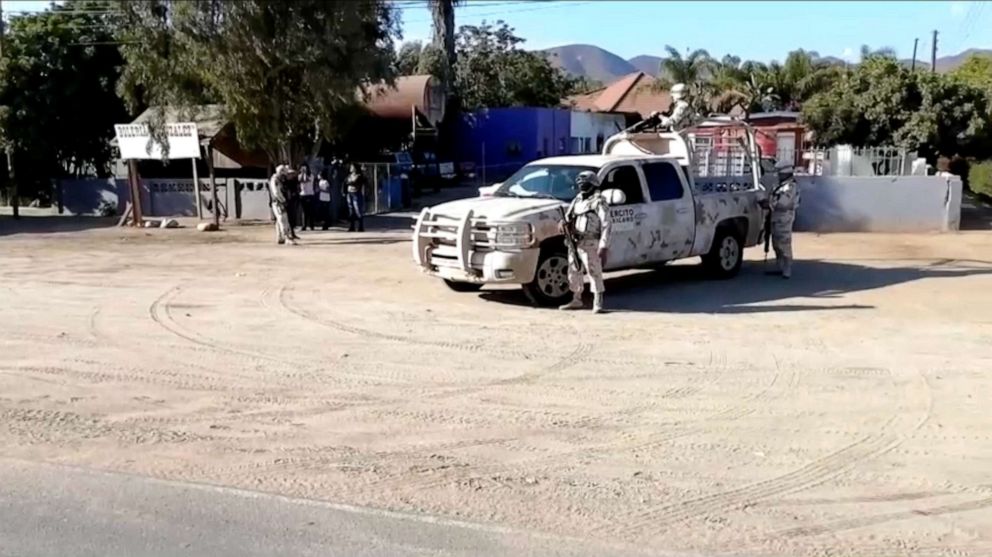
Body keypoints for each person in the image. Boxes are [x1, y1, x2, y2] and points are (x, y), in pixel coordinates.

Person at [558, 171, 612, 314]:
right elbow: (568, 217)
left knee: (594, 271)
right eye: (580, 184)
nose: (582, 186)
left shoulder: (599, 201)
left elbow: (606, 224)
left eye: (585, 184)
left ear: (593, 184)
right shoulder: (577, 200)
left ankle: (598, 302)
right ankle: (576, 298)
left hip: (591, 240)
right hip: (575, 241)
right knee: (573, 270)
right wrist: (563, 223)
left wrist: (604, 245)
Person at [766, 161, 800, 279]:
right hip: (776, 216)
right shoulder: (780, 186)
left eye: (780, 173)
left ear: (786, 173)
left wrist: (769, 204)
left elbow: (784, 203)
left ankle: (787, 268)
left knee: (784, 242)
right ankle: (780, 266)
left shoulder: (790, 187)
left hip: (784, 216)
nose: (778, 176)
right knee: (776, 242)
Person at [268, 165, 296, 245]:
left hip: (279, 202)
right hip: (278, 202)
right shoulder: (275, 180)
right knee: (282, 219)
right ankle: (286, 237)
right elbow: (276, 192)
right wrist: (283, 200)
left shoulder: (279, 179)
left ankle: (280, 237)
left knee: (279, 220)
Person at [344, 163, 367, 232]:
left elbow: (355, 182)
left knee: (358, 210)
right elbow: (345, 182)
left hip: (356, 193)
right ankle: (352, 226)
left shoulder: (359, 176)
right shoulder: (349, 176)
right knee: (351, 210)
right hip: (349, 193)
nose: (350, 168)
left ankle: (361, 226)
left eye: (352, 167)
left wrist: (350, 182)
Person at [282, 166, 301, 239]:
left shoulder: (294, 181)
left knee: (293, 218)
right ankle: (288, 234)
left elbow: (297, 189)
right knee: (288, 218)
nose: (292, 175)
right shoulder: (285, 182)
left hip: (294, 201)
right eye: (290, 174)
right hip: (287, 202)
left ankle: (293, 233)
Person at [298, 164, 316, 231]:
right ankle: (304, 225)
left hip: (310, 194)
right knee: (304, 211)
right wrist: (302, 173)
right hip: (303, 194)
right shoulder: (300, 175)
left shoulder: (311, 175)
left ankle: (311, 225)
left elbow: (306, 180)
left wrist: (305, 173)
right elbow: (300, 180)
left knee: (311, 211)